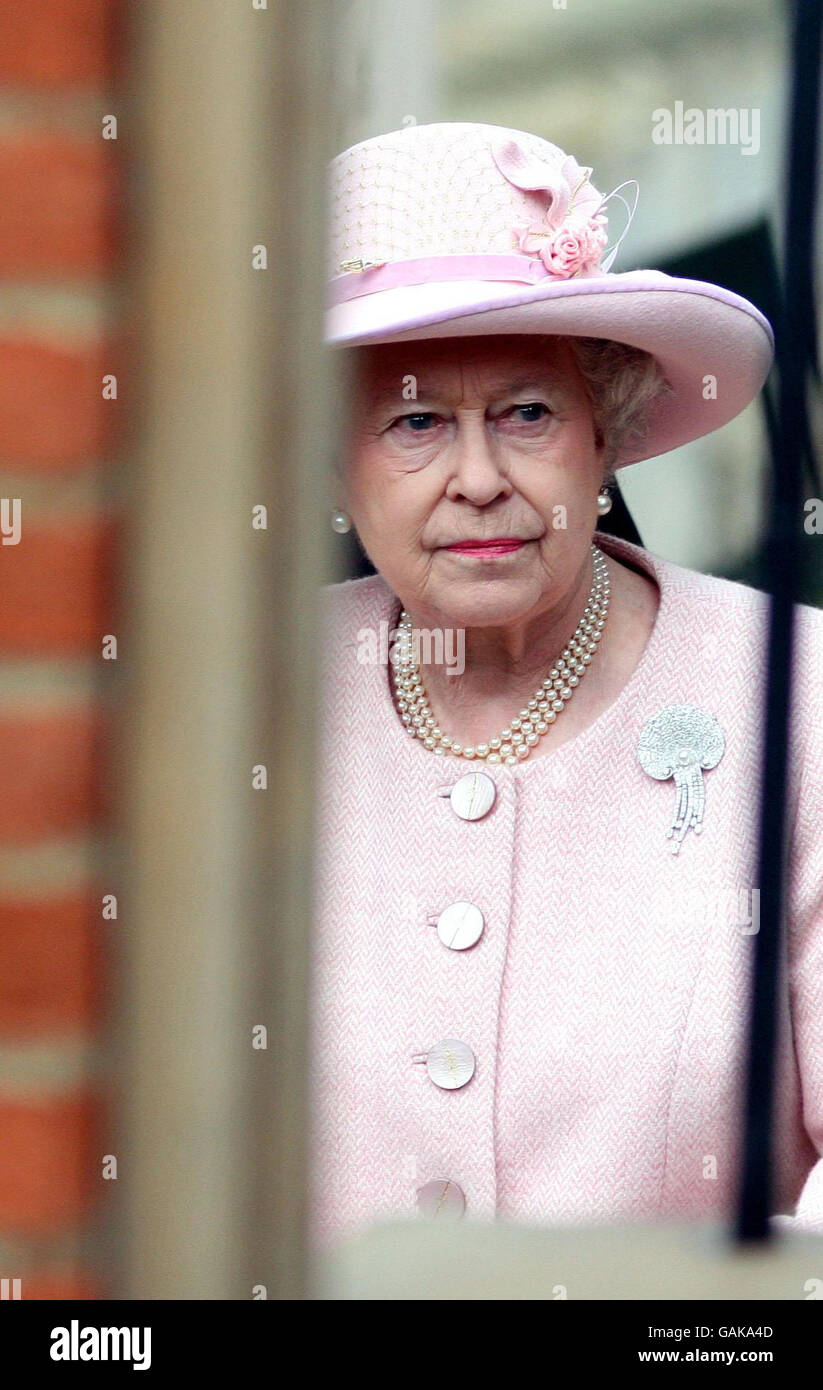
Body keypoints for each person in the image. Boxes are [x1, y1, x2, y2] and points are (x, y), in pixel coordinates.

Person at [308, 121, 823, 1251]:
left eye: (527, 414)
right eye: (413, 422)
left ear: (606, 436)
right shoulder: (246, 714)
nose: (480, 479)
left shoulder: (801, 698)